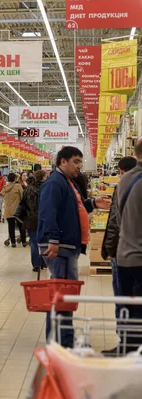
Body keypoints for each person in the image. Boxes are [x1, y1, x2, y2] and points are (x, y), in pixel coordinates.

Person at [37, 146, 111, 347]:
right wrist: (53, 240)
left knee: (65, 295)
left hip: (66, 245)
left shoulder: (67, 183)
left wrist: (93, 203)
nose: (80, 165)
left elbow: (73, 210)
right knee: (62, 296)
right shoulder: (54, 183)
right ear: (63, 162)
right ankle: (61, 342)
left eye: (80, 161)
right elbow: (47, 213)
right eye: (76, 161)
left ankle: (62, 339)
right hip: (59, 247)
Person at [101, 156, 136, 344]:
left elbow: (114, 221)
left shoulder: (123, 186)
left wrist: (110, 249)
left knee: (123, 298)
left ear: (121, 171)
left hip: (123, 252)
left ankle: (125, 342)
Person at [115, 139, 142, 352]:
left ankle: (127, 348)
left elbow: (117, 218)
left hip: (124, 255)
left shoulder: (124, 181)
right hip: (140, 257)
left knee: (128, 308)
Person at [22, 170, 47, 271]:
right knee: (44, 242)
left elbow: (23, 203)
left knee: (33, 242)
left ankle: (36, 265)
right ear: (43, 178)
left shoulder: (28, 188)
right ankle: (44, 263)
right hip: (44, 218)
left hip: (31, 219)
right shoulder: (46, 188)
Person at [3, 173, 26, 247]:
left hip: (8, 210)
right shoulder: (18, 186)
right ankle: (23, 241)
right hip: (17, 210)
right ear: (15, 179)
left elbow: (2, 194)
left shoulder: (5, 187)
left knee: (11, 226)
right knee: (21, 226)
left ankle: (13, 242)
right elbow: (22, 197)